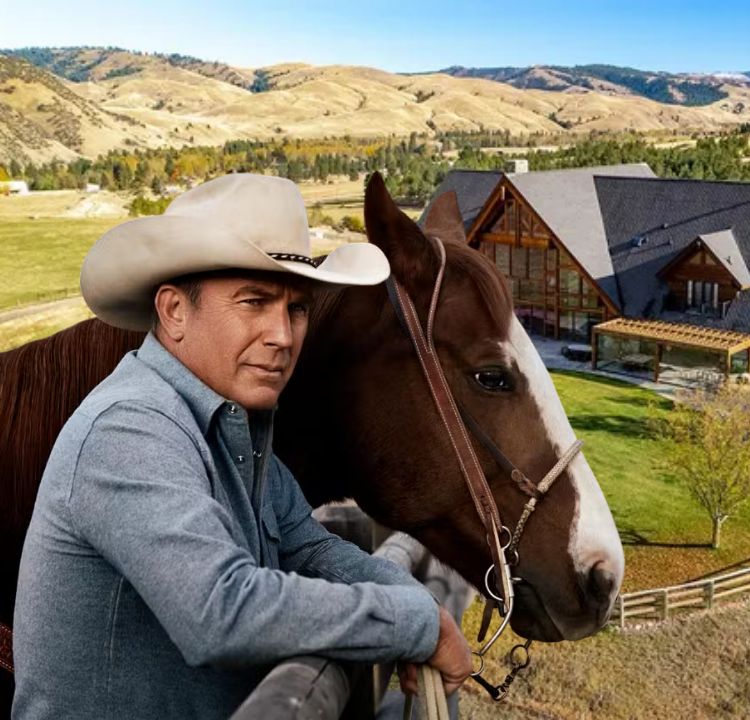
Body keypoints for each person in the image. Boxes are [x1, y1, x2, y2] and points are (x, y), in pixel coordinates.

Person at [12, 174, 472, 719]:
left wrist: (423, 609)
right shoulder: (129, 429)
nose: (283, 335)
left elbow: (311, 548)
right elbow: (219, 611)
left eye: (296, 308)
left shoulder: (237, 431)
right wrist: (412, 625)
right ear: (174, 312)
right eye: (254, 301)